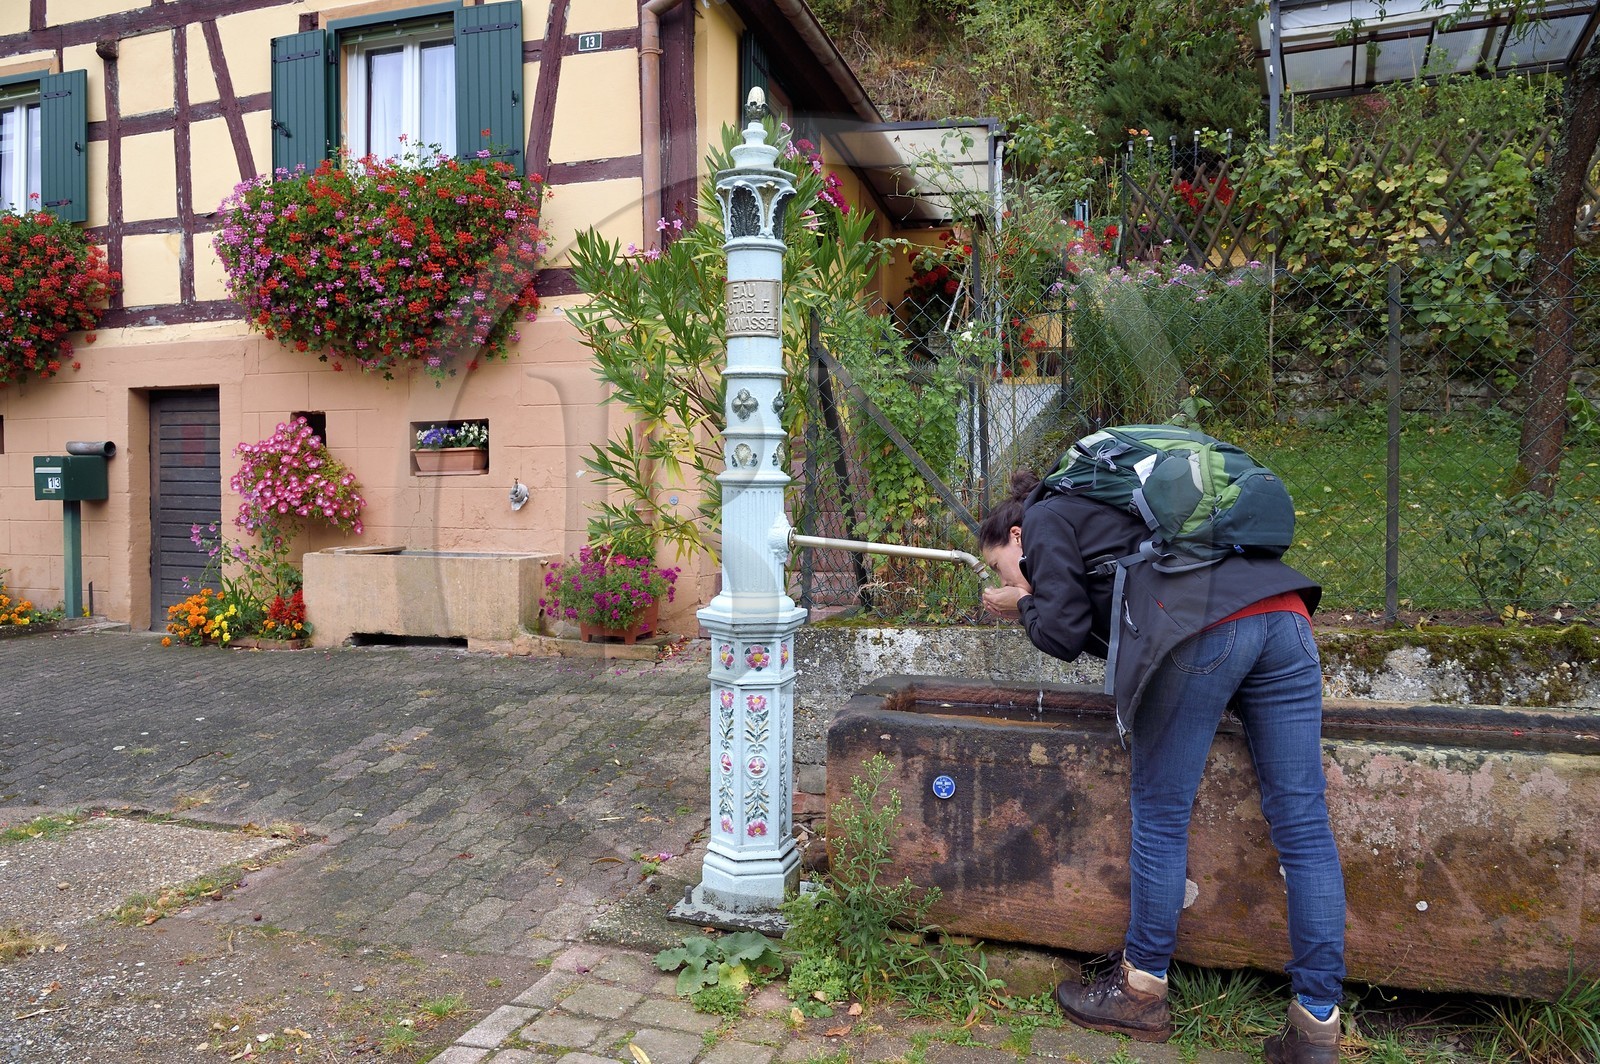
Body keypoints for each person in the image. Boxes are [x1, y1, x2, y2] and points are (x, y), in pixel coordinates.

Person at [978, 468, 1346, 1064]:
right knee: (1303, 822)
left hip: (1207, 625)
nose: (1006, 575)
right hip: (1287, 616)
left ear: (1017, 537)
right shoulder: (1121, 509)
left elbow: (1066, 631)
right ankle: (1317, 1024)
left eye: (1000, 565)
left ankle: (1141, 988)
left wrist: (1022, 603)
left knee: (1161, 812)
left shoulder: (1046, 516)